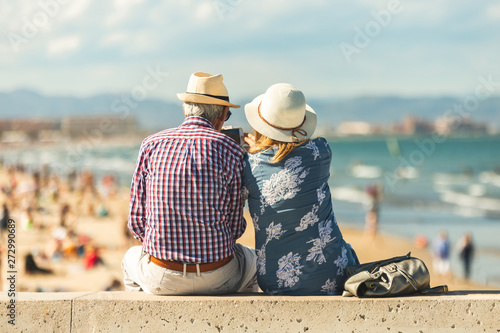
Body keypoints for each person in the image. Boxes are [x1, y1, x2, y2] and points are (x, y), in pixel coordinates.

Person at [122, 72, 258, 295]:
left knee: (129, 258)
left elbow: (137, 223)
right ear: (223, 114)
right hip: (219, 275)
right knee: (253, 262)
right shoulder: (232, 151)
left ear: (185, 108)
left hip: (161, 276)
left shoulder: (151, 144)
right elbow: (235, 229)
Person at [242, 83, 359, 295]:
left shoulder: (248, 164)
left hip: (276, 280)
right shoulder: (321, 152)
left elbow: (268, 162)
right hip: (332, 274)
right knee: (347, 250)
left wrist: (253, 150)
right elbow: (289, 154)